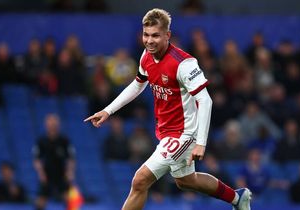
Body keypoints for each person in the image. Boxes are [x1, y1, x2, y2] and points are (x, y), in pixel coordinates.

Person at [84, 8, 251, 210]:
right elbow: (138, 84)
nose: (150, 40)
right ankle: (237, 198)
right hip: (166, 131)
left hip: (185, 133)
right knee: (186, 180)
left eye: (155, 35)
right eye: (146, 35)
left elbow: (206, 101)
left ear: (167, 35)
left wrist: (201, 143)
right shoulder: (146, 56)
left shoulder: (185, 64)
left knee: (140, 180)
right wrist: (108, 110)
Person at [33, 114, 76, 210]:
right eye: (50, 123)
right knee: (40, 202)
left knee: (70, 201)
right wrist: (41, 173)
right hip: (47, 174)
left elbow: (71, 158)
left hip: (61, 174)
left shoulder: (64, 141)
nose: (52, 126)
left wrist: (70, 172)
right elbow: (37, 159)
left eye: (54, 123)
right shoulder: (42, 141)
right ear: (46, 125)